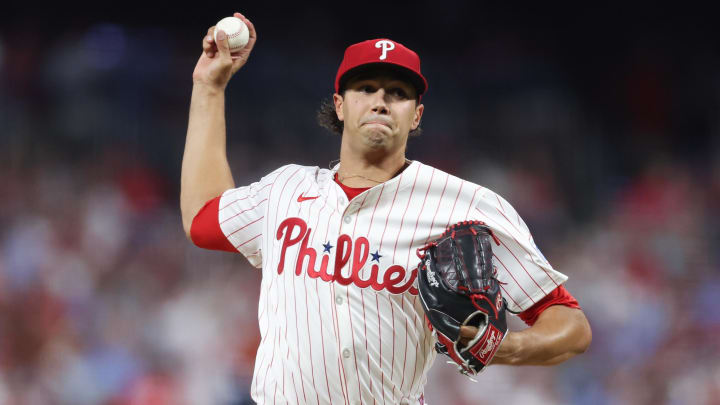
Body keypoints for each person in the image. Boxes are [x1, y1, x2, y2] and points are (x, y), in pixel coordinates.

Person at [181, 12, 592, 405]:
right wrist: (209, 87)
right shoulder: (286, 189)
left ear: (416, 116)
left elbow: (570, 326)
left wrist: (503, 347)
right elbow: (202, 220)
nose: (380, 102)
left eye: (397, 93)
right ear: (340, 106)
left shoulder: (465, 205)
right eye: (366, 89)